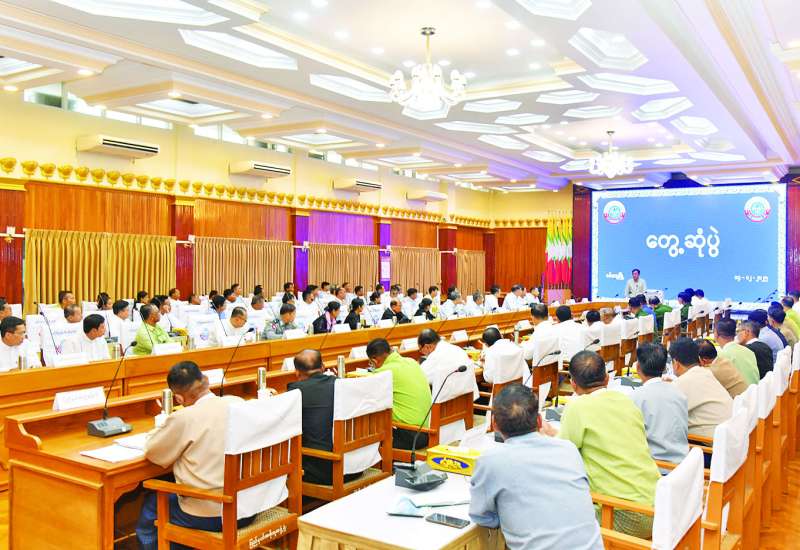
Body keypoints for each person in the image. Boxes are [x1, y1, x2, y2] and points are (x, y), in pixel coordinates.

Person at [469, 385, 603, 550]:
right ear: (539, 421)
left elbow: (481, 516)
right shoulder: (568, 448)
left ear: (494, 424)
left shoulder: (490, 461)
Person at [136, 362, 255, 548]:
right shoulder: (237, 403)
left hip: (212, 513)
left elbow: (153, 453)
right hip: (248, 506)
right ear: (206, 380)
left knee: (152, 507)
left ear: (178, 399)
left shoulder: (184, 418)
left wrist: (159, 428)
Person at [553, 351, 659, 538]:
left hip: (625, 515)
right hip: (658, 505)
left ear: (573, 384)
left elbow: (561, 457)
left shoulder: (577, 407)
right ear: (607, 378)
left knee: (551, 512)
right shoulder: (626, 401)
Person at [288, 350, 363, 485]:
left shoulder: (297, 391)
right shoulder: (344, 385)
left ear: (297, 373)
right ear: (323, 367)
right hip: (355, 465)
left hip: (322, 471)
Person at [366, 338, 432, 449]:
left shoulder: (384, 372)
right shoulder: (412, 362)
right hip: (426, 432)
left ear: (374, 361)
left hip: (410, 437)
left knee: (368, 430)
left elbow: (368, 395)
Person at [630, 343, 689, 465]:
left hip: (656, 466)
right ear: (665, 368)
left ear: (637, 367)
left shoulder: (636, 397)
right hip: (683, 464)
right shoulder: (679, 392)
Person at [669, 338, 733, 440]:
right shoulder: (705, 373)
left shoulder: (681, 383)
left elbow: (666, 416)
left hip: (710, 445)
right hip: (729, 438)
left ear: (676, 363)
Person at [417, 329, 478, 398]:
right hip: (467, 399)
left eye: (420, 349)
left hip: (447, 402)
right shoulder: (457, 349)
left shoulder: (435, 356)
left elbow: (421, 377)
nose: (421, 353)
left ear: (428, 346)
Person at [715, 318, 760, 385]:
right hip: (754, 390)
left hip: (740, 391)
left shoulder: (721, 355)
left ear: (716, 334)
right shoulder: (749, 352)